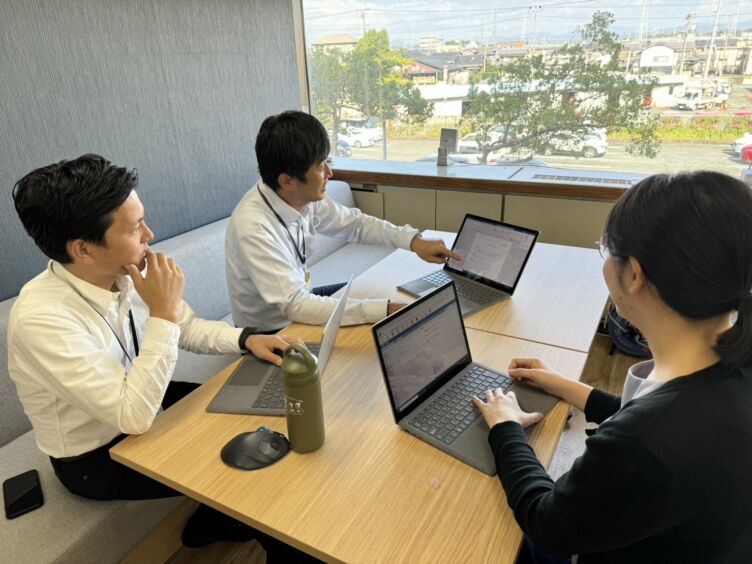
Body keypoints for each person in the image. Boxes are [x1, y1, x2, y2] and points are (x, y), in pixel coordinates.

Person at [8, 154, 312, 559]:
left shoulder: (123, 271)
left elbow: (185, 327)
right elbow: (132, 416)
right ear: (82, 249)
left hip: (147, 400)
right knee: (260, 469)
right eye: (135, 229)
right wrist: (164, 313)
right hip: (96, 455)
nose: (150, 234)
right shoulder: (41, 320)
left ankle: (218, 519)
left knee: (259, 416)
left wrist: (246, 339)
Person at [473, 171, 752, 562]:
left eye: (605, 250)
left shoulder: (647, 442)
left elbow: (547, 523)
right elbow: (646, 417)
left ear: (634, 274)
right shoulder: (725, 366)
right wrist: (567, 386)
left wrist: (505, 428)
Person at [226, 110, 461, 332]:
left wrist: (414, 241)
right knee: (380, 326)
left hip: (298, 301)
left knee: (393, 298)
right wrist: (384, 310)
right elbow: (295, 305)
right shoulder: (254, 227)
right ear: (287, 181)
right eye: (320, 166)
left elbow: (355, 224)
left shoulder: (299, 196)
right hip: (271, 331)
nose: (329, 173)